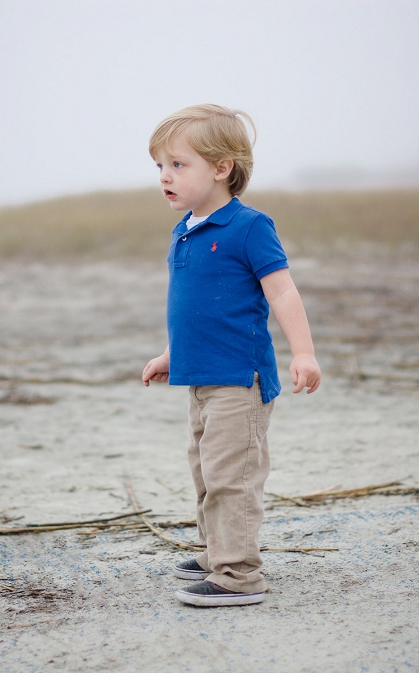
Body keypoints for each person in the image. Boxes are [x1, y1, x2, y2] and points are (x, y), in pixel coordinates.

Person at [142, 104, 321, 607]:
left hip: (240, 381)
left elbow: (282, 293)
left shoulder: (249, 226)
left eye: (178, 165)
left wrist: (302, 352)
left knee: (231, 476)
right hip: (199, 378)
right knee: (204, 470)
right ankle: (217, 550)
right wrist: (170, 354)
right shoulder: (185, 230)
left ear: (222, 168)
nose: (164, 177)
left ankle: (239, 575)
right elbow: (194, 308)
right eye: (159, 166)